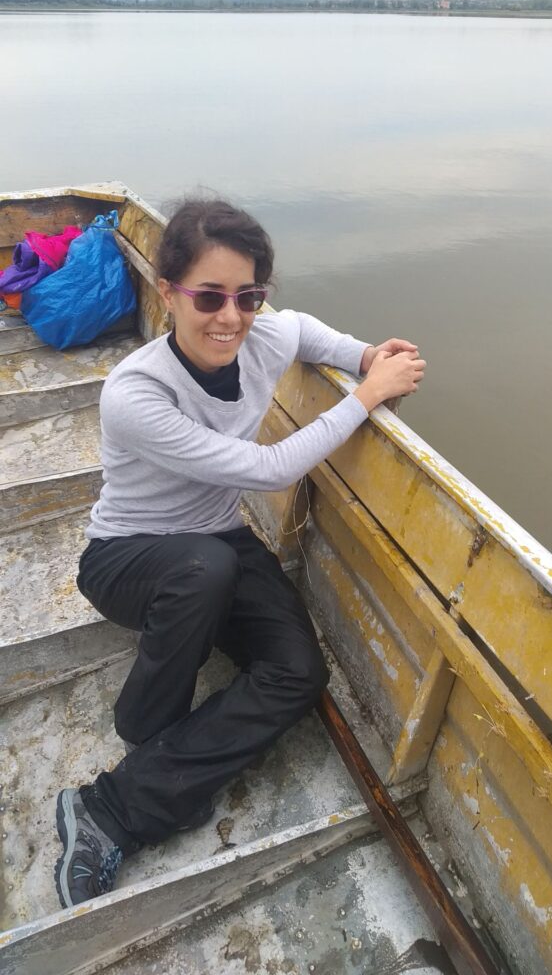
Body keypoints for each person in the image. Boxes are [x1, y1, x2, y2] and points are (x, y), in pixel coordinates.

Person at [54, 198, 426, 908]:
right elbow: (268, 470)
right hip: (129, 556)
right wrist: (366, 396)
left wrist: (364, 357)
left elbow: (307, 331)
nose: (230, 317)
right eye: (209, 297)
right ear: (168, 292)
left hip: (216, 541)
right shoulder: (136, 392)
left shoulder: (262, 334)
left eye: (248, 296)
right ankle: (133, 760)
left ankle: (127, 791)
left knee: (299, 673)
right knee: (206, 568)